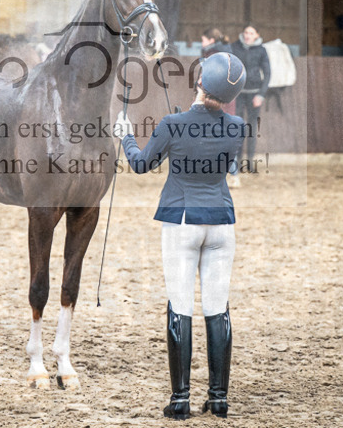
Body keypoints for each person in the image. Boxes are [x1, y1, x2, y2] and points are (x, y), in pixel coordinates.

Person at [114, 52, 247, 420]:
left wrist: (125, 137)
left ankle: (180, 400)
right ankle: (218, 398)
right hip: (221, 222)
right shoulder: (237, 126)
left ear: (201, 84)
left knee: (181, 306)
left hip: (182, 220)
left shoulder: (173, 123)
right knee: (217, 308)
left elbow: (140, 164)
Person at [229, 26, 270, 183]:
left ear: (256, 35)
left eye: (251, 33)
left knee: (252, 127)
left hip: (254, 93)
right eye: (246, 33)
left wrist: (261, 94)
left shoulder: (261, 50)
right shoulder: (235, 47)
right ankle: (237, 163)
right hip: (239, 93)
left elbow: (267, 73)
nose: (248, 36)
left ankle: (250, 162)